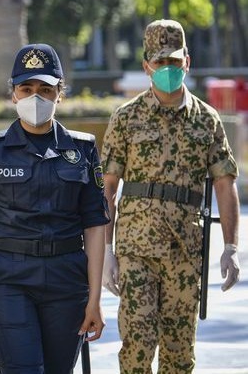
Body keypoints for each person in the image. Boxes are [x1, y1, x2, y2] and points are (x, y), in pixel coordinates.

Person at [0, 43, 109, 373]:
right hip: (7, 279)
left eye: (45, 89)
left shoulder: (82, 150)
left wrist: (95, 300)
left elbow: (95, 225)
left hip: (66, 280)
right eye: (26, 88)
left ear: (60, 93)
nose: (35, 97)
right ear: (13, 93)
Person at [101, 19, 240, 373]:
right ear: (146, 65)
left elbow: (225, 182)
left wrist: (231, 247)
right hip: (136, 250)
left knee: (179, 355)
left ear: (187, 62)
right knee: (137, 344)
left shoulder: (206, 121)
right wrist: (105, 252)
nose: (167, 69)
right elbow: (107, 188)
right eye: (160, 62)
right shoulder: (126, 118)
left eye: (174, 62)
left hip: (185, 251)